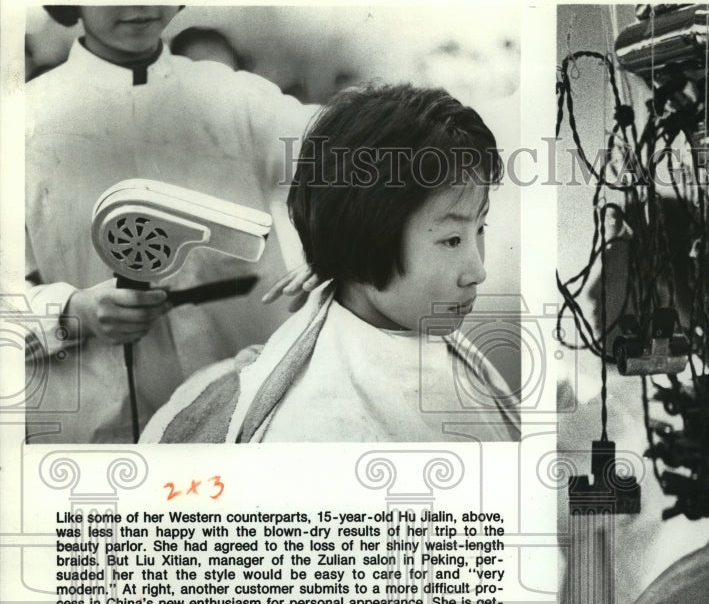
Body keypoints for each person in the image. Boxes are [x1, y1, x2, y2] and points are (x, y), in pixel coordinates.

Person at [140, 84, 519, 444]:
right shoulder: (324, 426)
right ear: (367, 240)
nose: (478, 271)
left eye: (480, 228)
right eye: (451, 240)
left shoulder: (412, 319)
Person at [25, 5, 316, 443]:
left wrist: (339, 251)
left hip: (247, 411)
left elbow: (360, 155)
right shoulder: (21, 122)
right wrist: (71, 311)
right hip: (99, 432)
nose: (139, 2)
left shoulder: (237, 98)